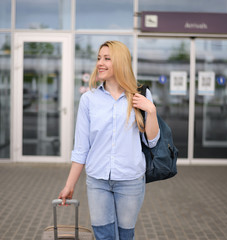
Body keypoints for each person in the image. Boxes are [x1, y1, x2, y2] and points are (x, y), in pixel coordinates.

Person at [58, 40, 160, 240]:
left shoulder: (141, 95)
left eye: (106, 58)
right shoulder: (89, 99)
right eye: (98, 58)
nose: (100, 63)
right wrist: (69, 185)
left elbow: (152, 141)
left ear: (120, 62)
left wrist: (152, 111)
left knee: (125, 236)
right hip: (98, 181)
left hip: (130, 180)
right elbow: (81, 147)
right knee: (103, 235)